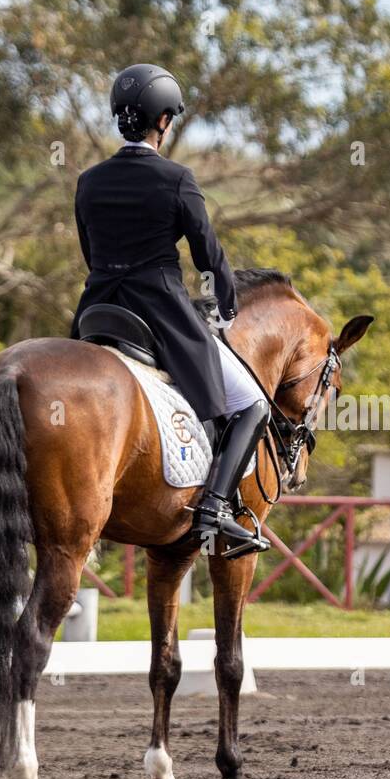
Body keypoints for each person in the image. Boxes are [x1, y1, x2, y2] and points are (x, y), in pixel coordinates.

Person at [70, 63, 269, 557]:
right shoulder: (176, 179)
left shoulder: (89, 181)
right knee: (252, 403)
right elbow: (210, 257)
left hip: (97, 312)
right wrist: (225, 305)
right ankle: (216, 508)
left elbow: (91, 256)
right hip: (161, 316)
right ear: (163, 120)